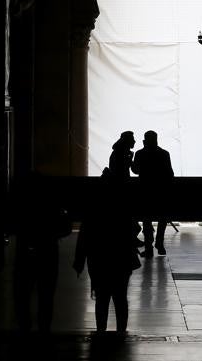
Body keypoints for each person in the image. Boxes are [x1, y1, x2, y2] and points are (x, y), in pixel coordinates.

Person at [73, 175, 142, 334]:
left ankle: (101, 329)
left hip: (99, 259)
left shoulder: (93, 210)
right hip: (121, 258)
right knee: (120, 297)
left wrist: (79, 261)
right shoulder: (123, 206)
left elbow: (84, 236)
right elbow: (134, 228)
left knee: (102, 298)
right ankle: (121, 329)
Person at [10, 171, 72, 333]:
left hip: (26, 253)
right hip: (48, 253)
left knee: (22, 293)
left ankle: (25, 327)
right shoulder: (53, 206)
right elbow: (66, 228)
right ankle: (44, 328)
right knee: (46, 295)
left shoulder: (22, 207)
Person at [131, 129, 174, 257]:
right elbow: (169, 174)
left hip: (145, 191)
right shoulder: (164, 154)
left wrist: (130, 161)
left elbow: (136, 170)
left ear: (145, 140)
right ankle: (159, 243)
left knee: (146, 219)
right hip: (160, 191)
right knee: (162, 219)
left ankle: (149, 246)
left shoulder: (140, 154)